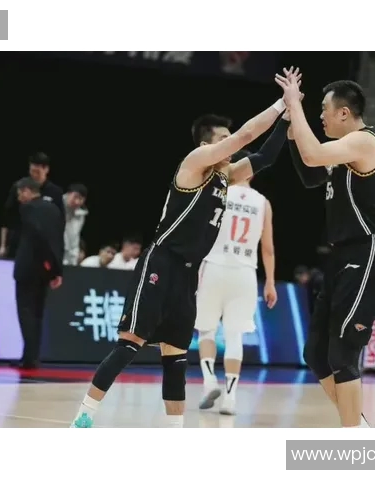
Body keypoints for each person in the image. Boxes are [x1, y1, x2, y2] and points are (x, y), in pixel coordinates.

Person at [71, 67, 301, 428]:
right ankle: (84, 416)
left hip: (188, 272)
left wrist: (288, 119)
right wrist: (280, 103)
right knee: (129, 344)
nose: (231, 143)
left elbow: (266, 157)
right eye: (223, 138)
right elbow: (246, 135)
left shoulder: (226, 176)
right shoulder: (194, 164)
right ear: (207, 144)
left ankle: (175, 433)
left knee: (176, 357)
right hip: (161, 261)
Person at [277, 72, 375, 428]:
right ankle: (360, 428)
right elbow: (311, 174)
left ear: (344, 112)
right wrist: (292, 129)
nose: (321, 116)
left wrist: (295, 105)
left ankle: (353, 438)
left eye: (324, 109)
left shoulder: (363, 141)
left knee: (342, 353)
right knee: (316, 353)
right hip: (341, 255)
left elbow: (313, 156)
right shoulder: (343, 152)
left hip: (366, 252)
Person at [195, 149, 277, 415]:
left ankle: (209, 382)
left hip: (215, 265)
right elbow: (268, 249)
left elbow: (201, 232)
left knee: (206, 330)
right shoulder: (263, 203)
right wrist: (270, 282)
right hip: (245, 273)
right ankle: (230, 398)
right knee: (234, 335)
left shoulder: (219, 193)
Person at [13, 177, 64, 369]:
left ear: (28, 190)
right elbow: (58, 240)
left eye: (20, 193)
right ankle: (33, 356)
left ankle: (28, 358)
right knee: (38, 313)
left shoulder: (28, 209)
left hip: (28, 267)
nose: (19, 198)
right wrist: (55, 269)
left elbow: (36, 236)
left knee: (26, 312)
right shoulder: (54, 209)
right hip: (45, 269)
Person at [0, 152, 64, 259]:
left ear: (46, 169)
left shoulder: (55, 192)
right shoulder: (19, 187)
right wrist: (3, 245)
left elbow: (60, 222)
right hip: (18, 242)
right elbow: (7, 219)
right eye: (32, 171)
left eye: (38, 172)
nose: (34, 175)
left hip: (44, 245)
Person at [63, 183, 88, 265]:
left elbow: (75, 238)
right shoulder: (55, 205)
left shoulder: (81, 215)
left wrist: (73, 260)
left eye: (81, 199)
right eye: (75, 197)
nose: (77, 202)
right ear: (68, 194)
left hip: (68, 258)